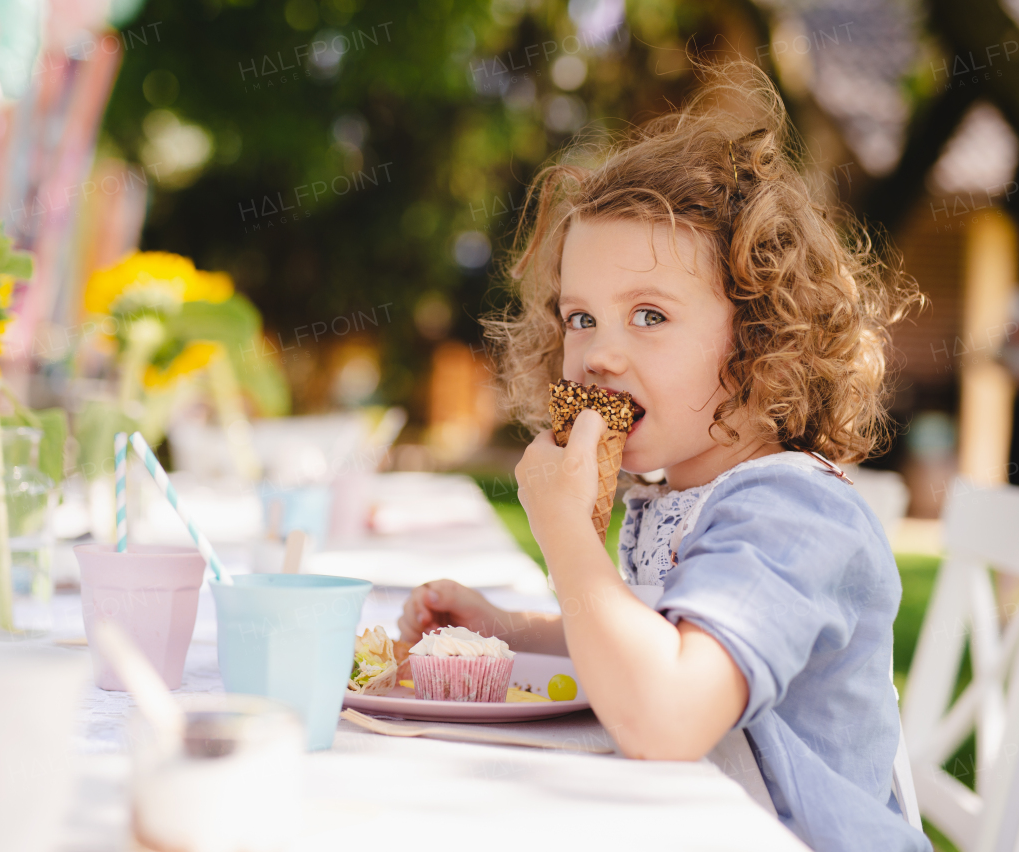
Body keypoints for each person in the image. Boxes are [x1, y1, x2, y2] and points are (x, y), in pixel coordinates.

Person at [397, 61, 931, 852]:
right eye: (580, 318)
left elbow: (666, 716)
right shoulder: (675, 490)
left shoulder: (791, 514)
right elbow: (662, 631)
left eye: (648, 315)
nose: (599, 355)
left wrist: (567, 536)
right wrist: (513, 627)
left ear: (761, 336)